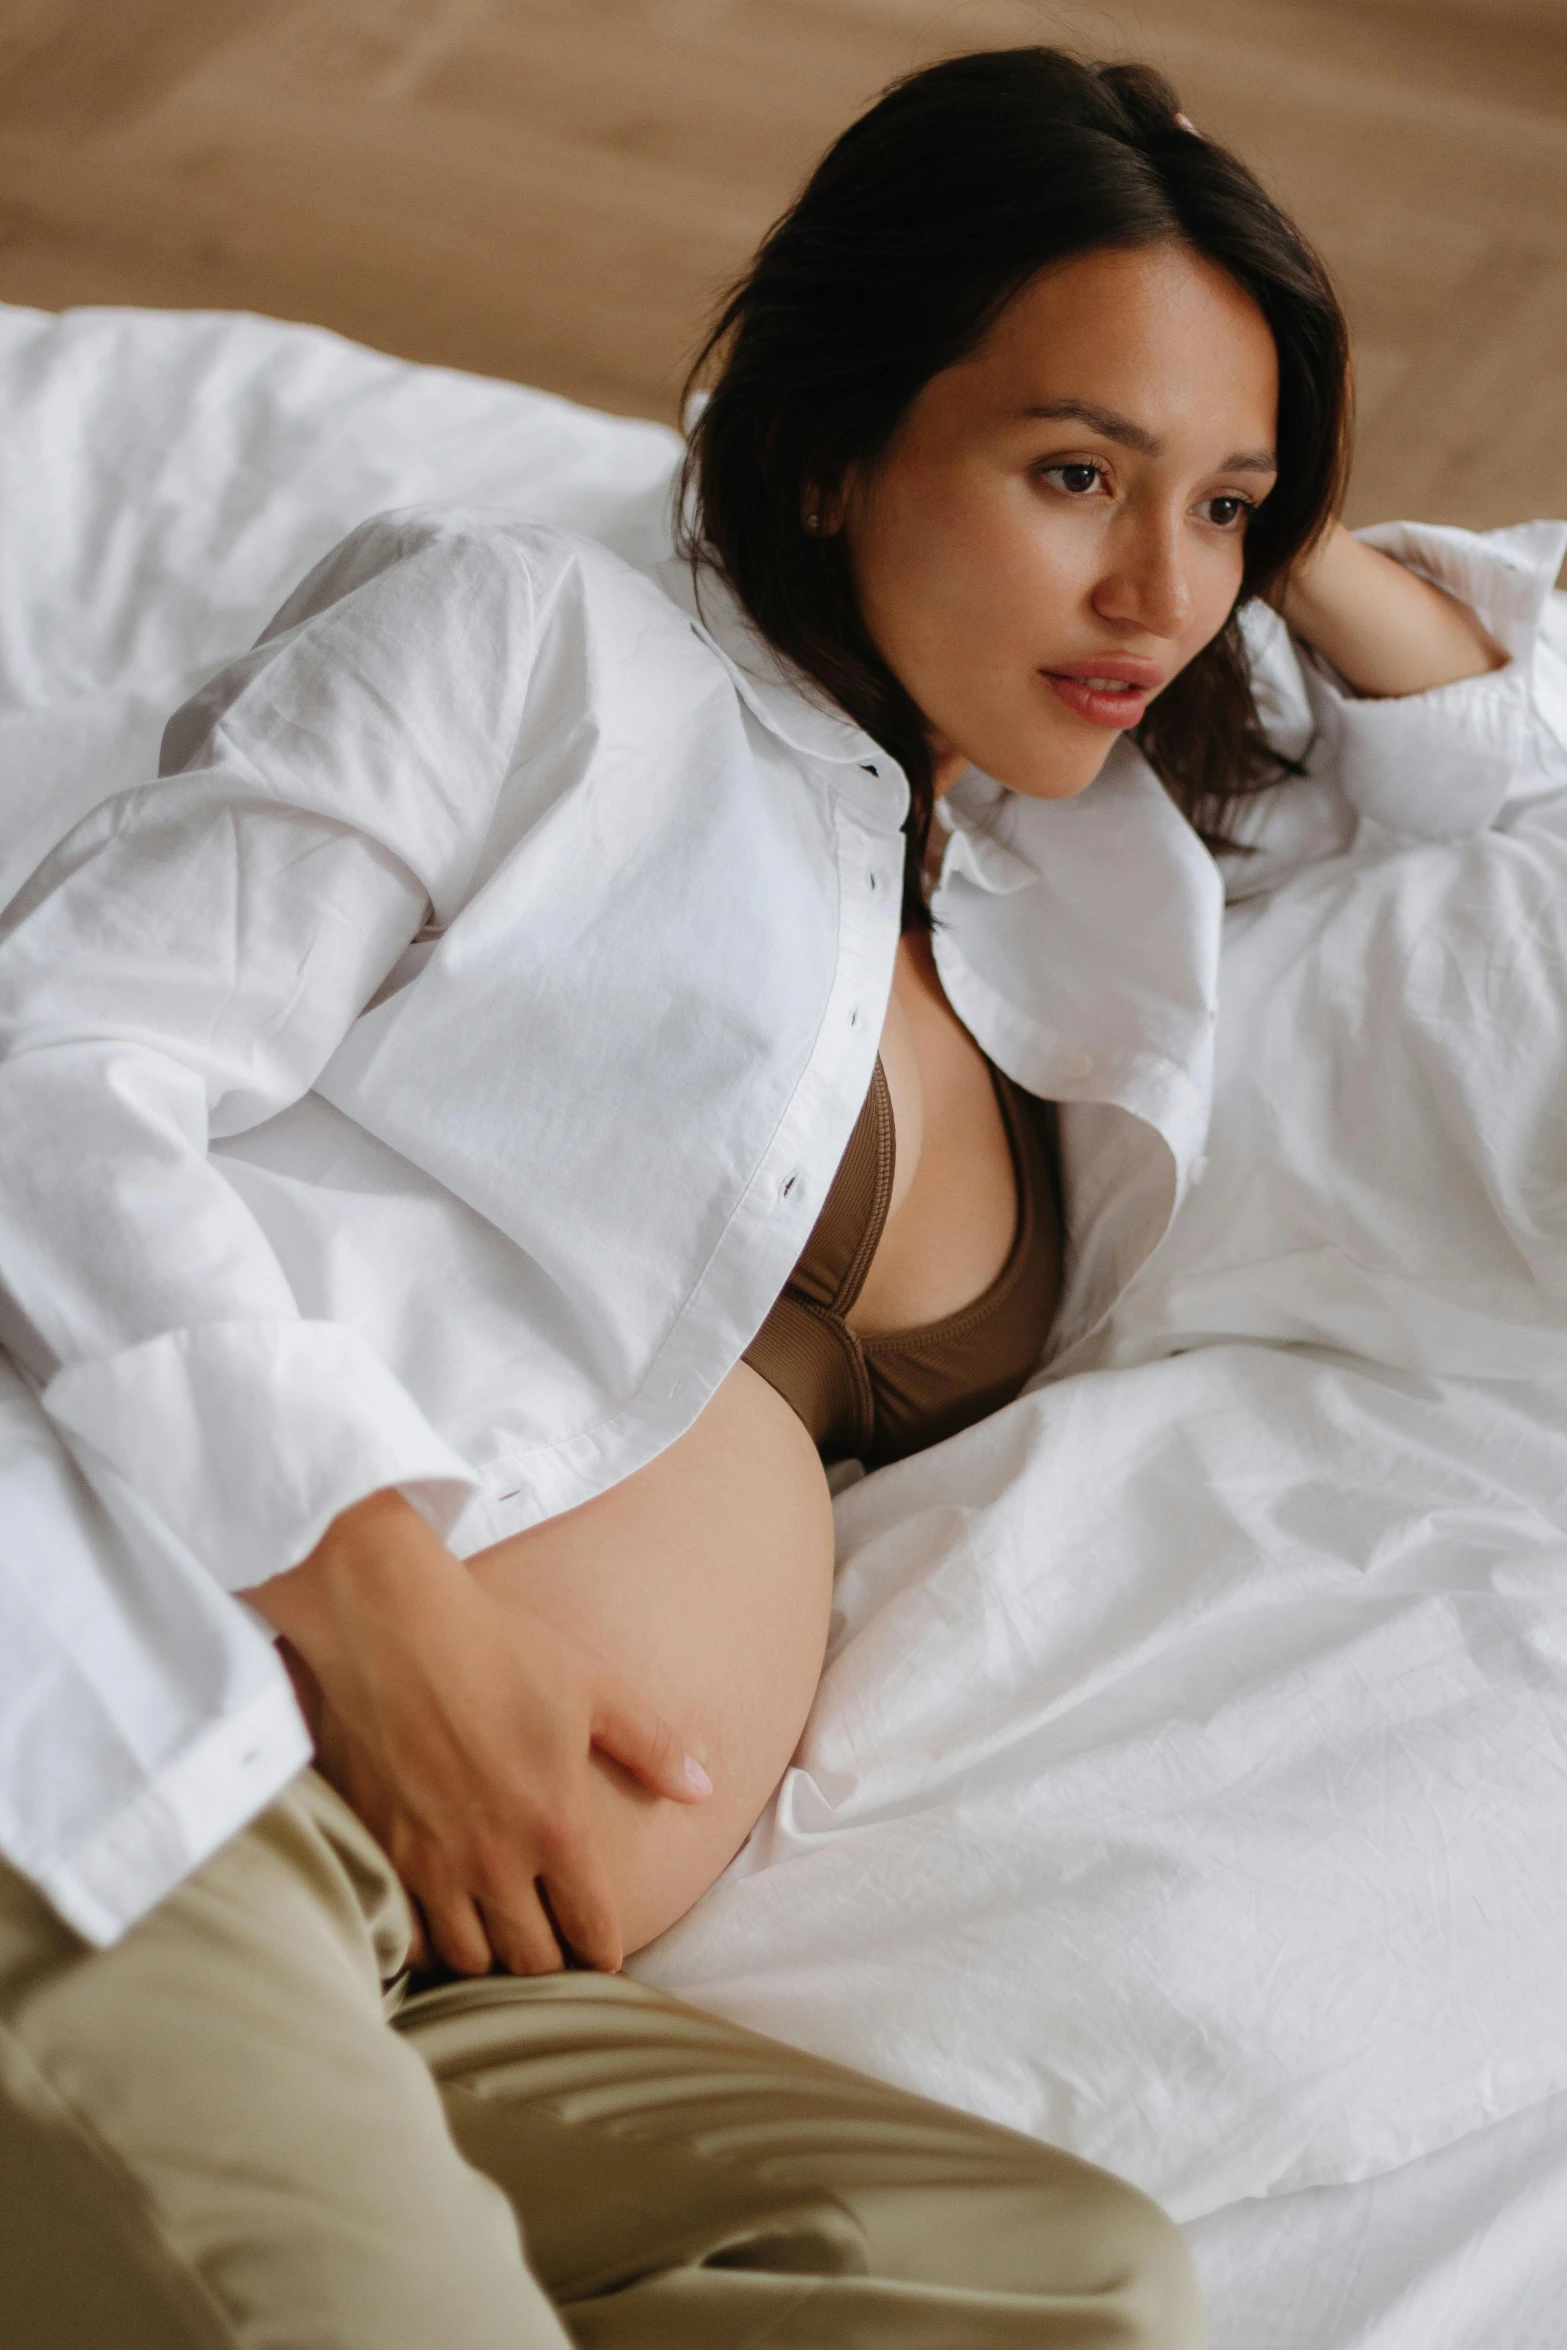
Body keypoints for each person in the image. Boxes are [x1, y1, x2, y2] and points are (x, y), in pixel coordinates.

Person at [0, 43, 1519, 2350]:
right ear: (832, 439)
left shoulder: (1070, 899)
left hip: (446, 1976)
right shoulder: (536, 648)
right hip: (162, 1733)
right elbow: (60, 1066)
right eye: (1073, 469)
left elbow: (1496, 769)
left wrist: (1255, 470)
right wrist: (374, 1586)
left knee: (1066, 2275)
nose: (1153, 587)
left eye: (1218, 511)